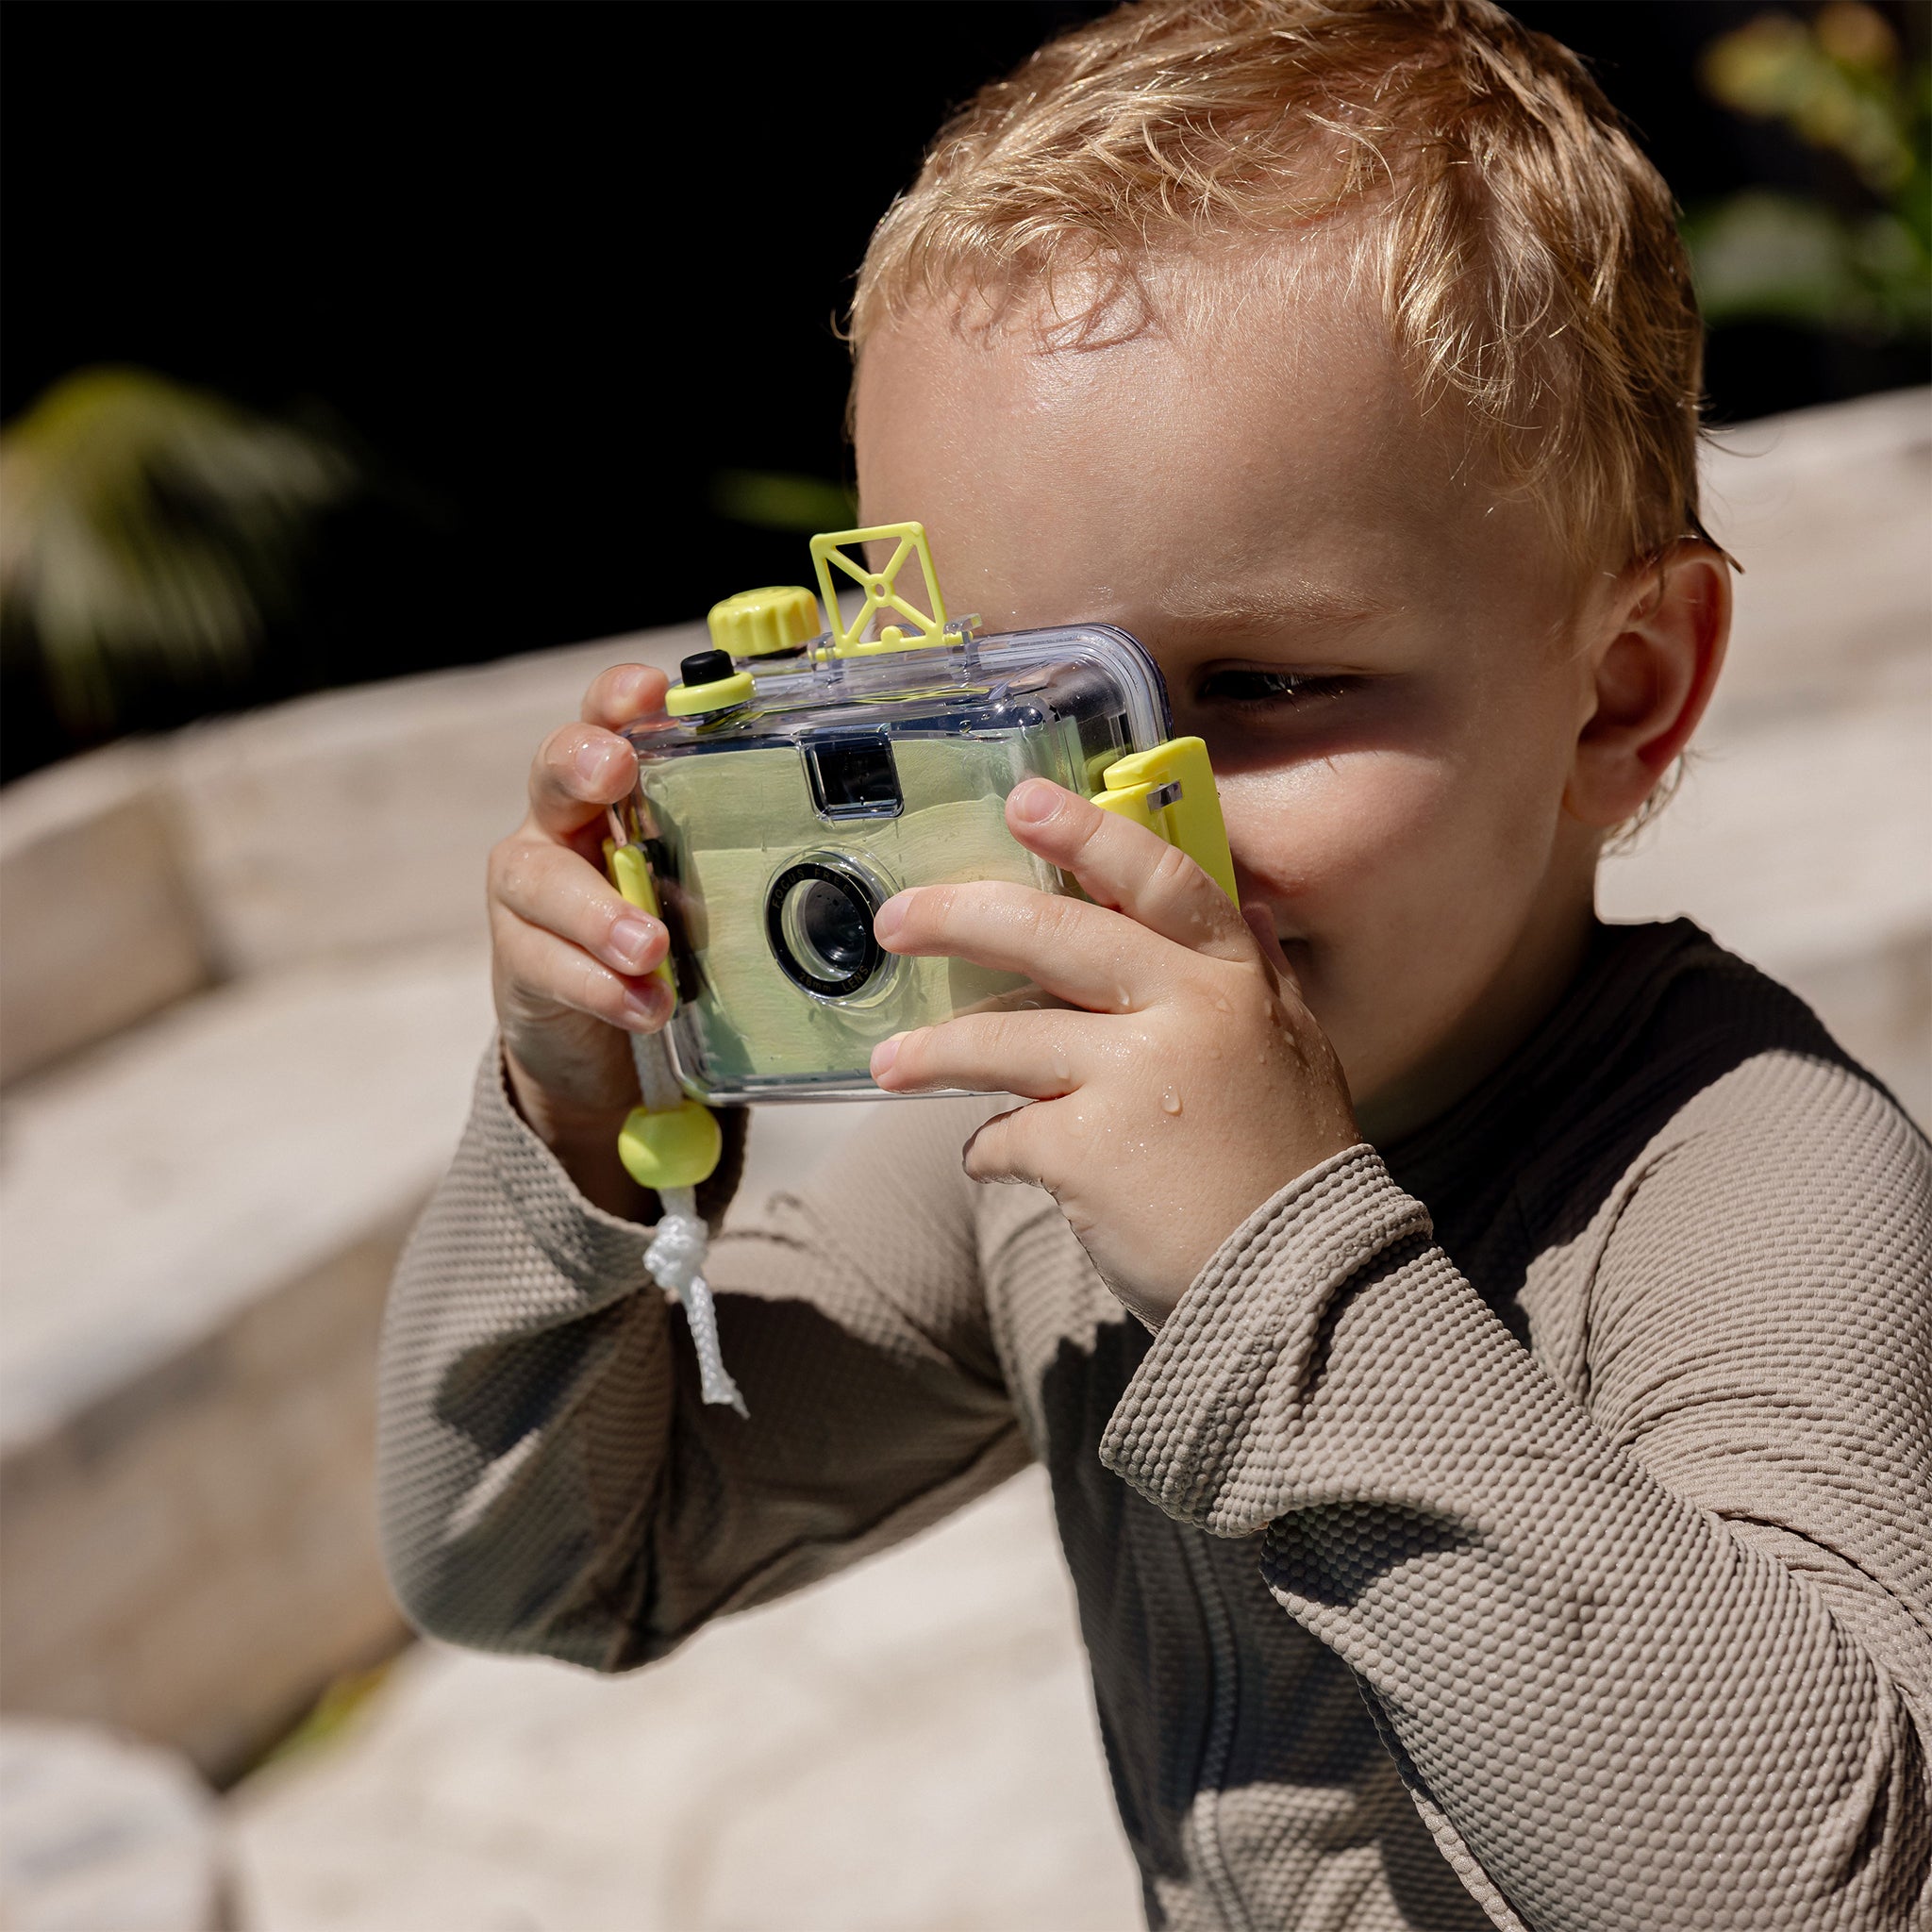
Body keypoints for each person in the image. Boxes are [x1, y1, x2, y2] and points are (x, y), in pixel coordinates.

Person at [375, 2, 1931, 1925]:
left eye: (1258, 689)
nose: (1110, 820)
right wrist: (574, 1127)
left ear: (1620, 692)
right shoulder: (1018, 1169)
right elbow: (543, 1562)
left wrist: (1276, 1254)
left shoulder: (1749, 1174)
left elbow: (1813, 1888)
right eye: (1000, 710)